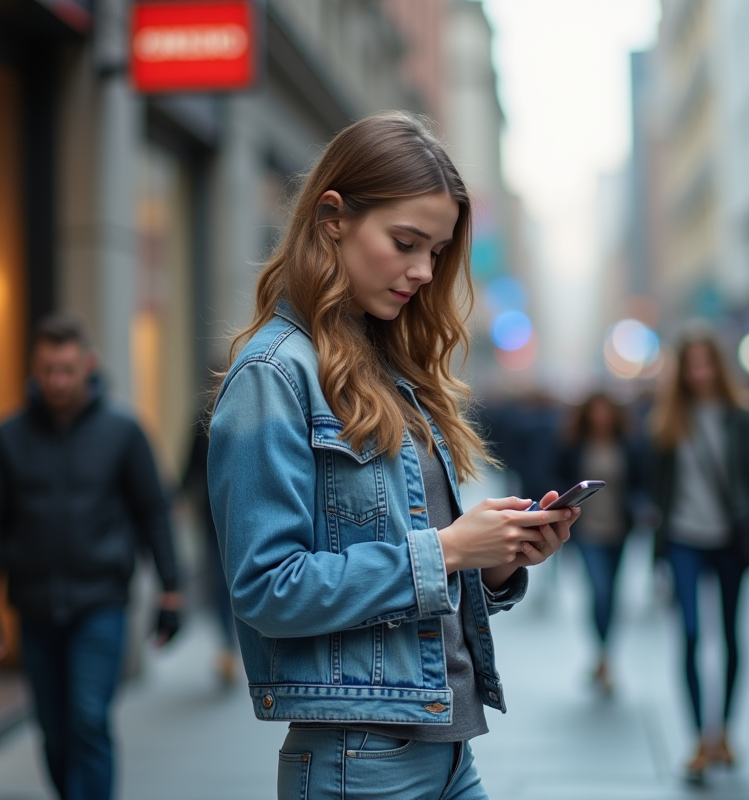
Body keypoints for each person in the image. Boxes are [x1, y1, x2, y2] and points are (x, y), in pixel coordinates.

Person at [206, 112, 578, 800]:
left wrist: (492, 561)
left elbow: (405, 582)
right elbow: (265, 587)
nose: (421, 271)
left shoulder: (386, 366)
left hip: (447, 751)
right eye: (406, 242)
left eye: (435, 252)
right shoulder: (274, 374)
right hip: (360, 763)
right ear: (332, 219)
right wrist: (448, 552)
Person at [0, 313, 182, 800]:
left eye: (67, 369)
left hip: (99, 602)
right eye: (48, 370)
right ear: (34, 368)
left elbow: (155, 512)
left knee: (88, 718)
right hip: (34, 605)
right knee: (55, 731)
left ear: (89, 365)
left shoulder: (123, 432)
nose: (57, 381)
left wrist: (172, 589)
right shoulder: (7, 436)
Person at [649, 326, 749, 783]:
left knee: (729, 634)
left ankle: (724, 729)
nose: (699, 373)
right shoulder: (669, 419)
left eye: (706, 363)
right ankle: (697, 741)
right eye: (691, 365)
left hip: (731, 541)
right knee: (688, 633)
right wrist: (655, 549)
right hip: (684, 539)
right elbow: (659, 490)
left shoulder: (742, 416)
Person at [555, 392, 649, 695]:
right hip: (586, 531)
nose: (601, 418)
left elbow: (641, 483)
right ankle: (601, 653)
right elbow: (554, 476)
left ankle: (606, 653)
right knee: (600, 589)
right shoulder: (573, 443)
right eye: (596, 412)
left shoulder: (629, 444)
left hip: (619, 530)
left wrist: (641, 506)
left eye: (606, 412)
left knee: (614, 593)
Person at [182, 390, 239, 684]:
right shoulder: (204, 420)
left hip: (245, 518)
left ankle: (237, 645)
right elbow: (190, 466)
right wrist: (182, 498)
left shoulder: (251, 416)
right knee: (219, 583)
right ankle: (228, 648)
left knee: (237, 582)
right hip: (214, 518)